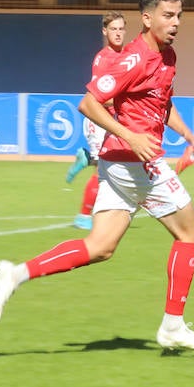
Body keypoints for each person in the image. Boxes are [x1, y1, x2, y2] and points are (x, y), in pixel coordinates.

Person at [0, 0, 194, 351]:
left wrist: (188, 134)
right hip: (136, 162)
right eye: (168, 16)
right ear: (147, 18)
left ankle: (15, 274)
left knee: (100, 247)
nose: (175, 23)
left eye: (179, 16)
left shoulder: (168, 56)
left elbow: (162, 104)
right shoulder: (134, 58)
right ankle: (173, 325)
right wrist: (133, 136)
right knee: (191, 233)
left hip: (120, 164)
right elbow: (89, 103)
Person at [65, 12, 128, 229]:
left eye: (121, 29)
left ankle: (85, 157)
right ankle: (83, 216)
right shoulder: (104, 59)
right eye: (113, 29)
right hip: (99, 120)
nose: (118, 33)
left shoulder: (126, 56)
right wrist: (127, 99)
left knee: (118, 163)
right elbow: (99, 98)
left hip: (113, 120)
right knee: (102, 170)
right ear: (105, 31)